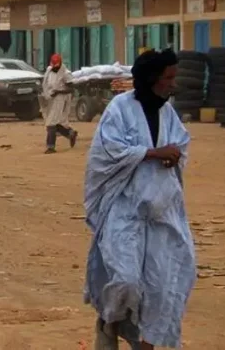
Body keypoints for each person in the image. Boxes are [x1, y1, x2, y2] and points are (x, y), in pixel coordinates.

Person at [83, 48, 194, 350]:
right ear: (151, 79)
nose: (173, 83)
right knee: (126, 281)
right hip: (125, 211)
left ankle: (146, 345)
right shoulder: (119, 108)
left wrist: (174, 155)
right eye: (168, 77)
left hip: (161, 213)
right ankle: (109, 322)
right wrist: (153, 153)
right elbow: (107, 151)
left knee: (162, 286)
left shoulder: (167, 112)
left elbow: (180, 143)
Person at [40, 53, 77, 153]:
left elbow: (71, 89)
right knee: (53, 121)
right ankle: (70, 133)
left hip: (61, 99)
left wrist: (58, 92)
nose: (55, 69)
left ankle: (51, 147)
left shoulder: (65, 73)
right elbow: (45, 83)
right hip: (50, 99)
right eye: (54, 67)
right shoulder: (49, 70)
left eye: (57, 67)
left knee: (51, 122)